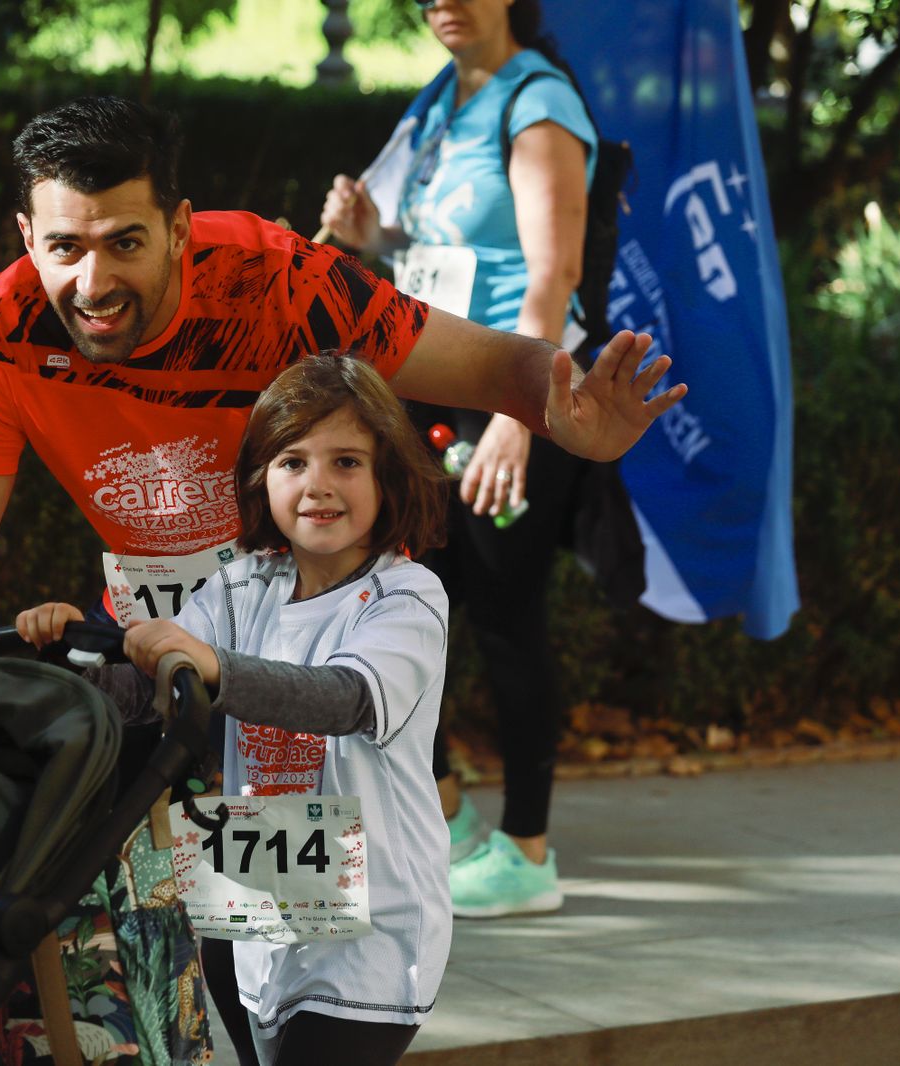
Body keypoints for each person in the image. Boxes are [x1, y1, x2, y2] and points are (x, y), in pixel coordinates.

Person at [0, 94, 683, 700]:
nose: (94, 282)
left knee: (307, 919)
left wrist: (563, 413)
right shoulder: (0, 334)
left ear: (181, 228)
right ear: (26, 240)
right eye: (65, 248)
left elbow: (485, 365)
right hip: (147, 632)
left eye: (126, 243)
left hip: (308, 632)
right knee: (97, 890)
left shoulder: (280, 282)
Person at [15, 354, 451, 1066]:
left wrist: (214, 666)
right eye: (292, 462)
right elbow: (144, 693)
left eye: (346, 462)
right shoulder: (242, 587)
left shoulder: (406, 597)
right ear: (261, 478)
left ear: (388, 476)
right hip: (246, 910)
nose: (318, 485)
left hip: (373, 931)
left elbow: (344, 699)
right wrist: (69, 657)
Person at [319, 0, 612, 916]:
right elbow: (437, 247)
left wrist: (522, 415)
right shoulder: (440, 97)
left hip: (512, 393)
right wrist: (372, 239)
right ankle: (440, 816)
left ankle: (528, 853)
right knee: (408, 607)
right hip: (421, 393)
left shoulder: (540, 102)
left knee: (503, 616)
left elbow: (550, 275)